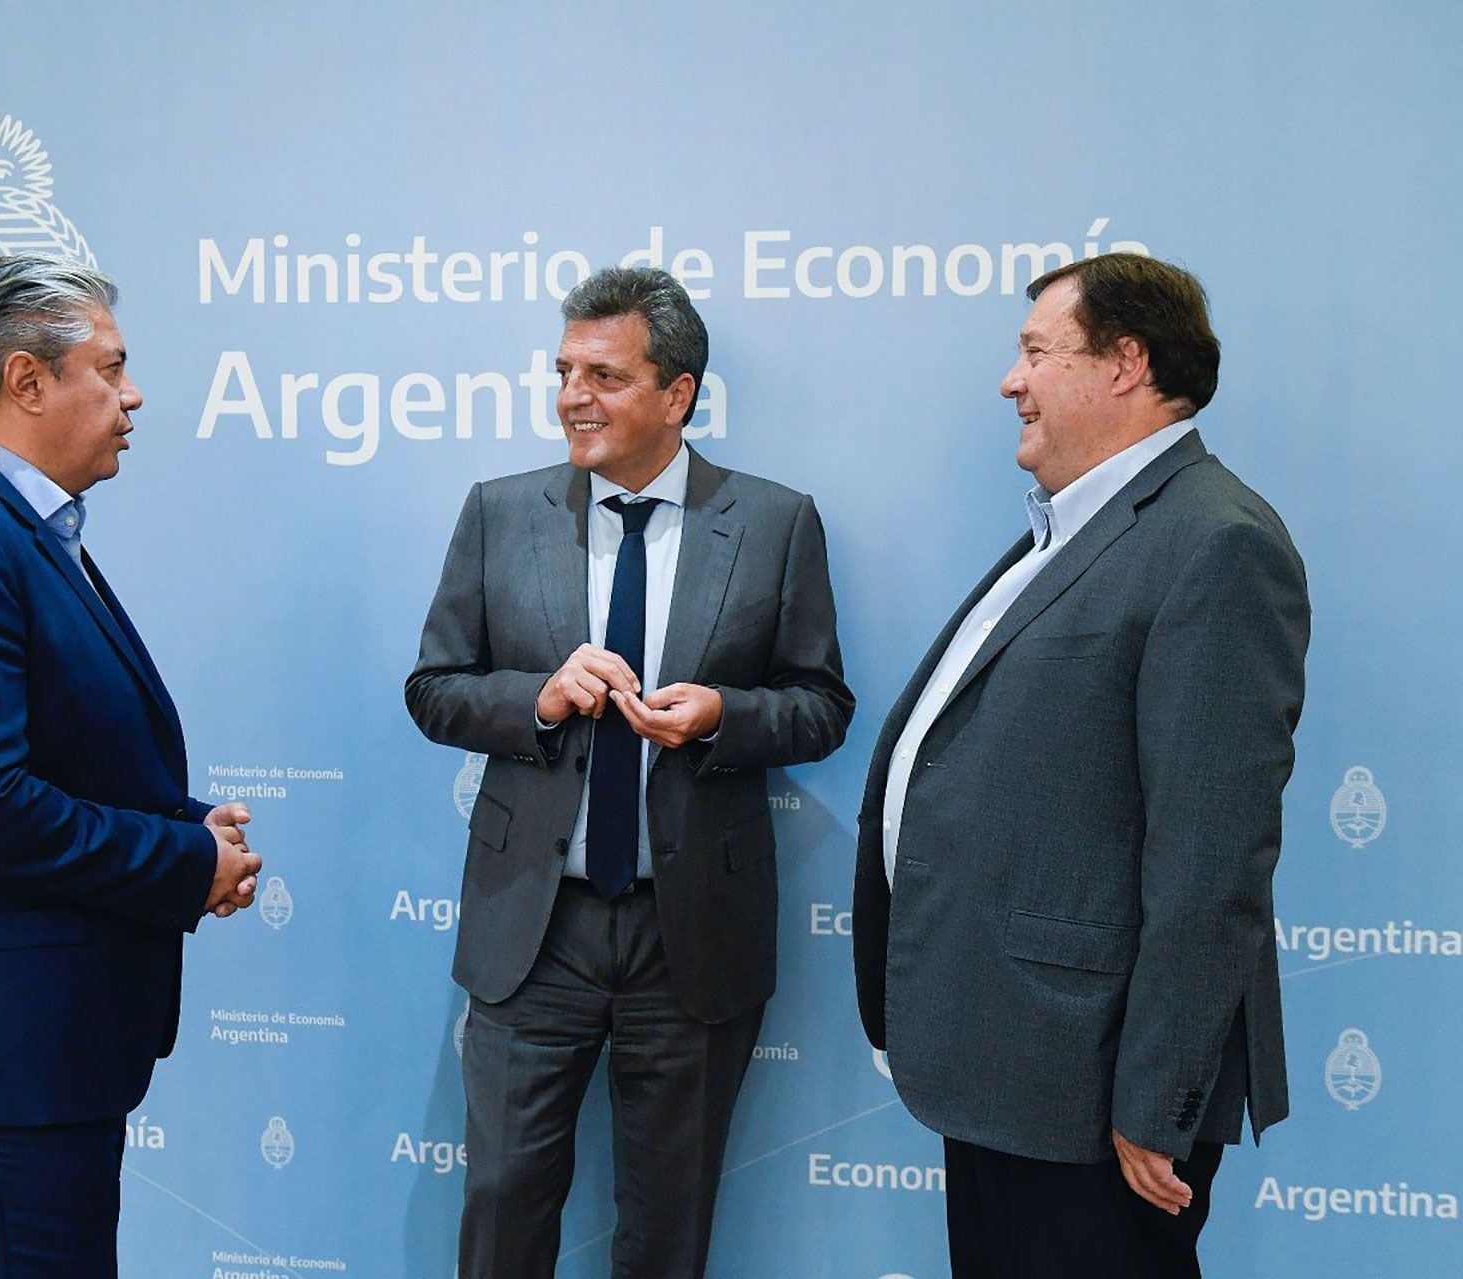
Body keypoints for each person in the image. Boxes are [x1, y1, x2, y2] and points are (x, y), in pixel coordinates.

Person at [852, 253, 1309, 1278]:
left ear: (1126, 363)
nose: (1009, 381)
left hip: (1092, 1094)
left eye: (1035, 351)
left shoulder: (1216, 542)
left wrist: (1158, 1100)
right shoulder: (1073, 529)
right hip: (1006, 1063)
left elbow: (1213, 858)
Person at [407, 266, 854, 1278]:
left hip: (689, 934)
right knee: (502, 1207)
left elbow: (821, 704)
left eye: (604, 376)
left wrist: (722, 715)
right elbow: (434, 689)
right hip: (535, 930)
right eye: (564, 371)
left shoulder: (776, 522)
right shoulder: (500, 511)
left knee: (667, 1226)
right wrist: (540, 697)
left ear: (677, 393)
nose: (574, 396)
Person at [0, 254, 260, 1276]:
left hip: (33, 1054)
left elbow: (59, 756)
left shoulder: (7, 526)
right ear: (26, 381)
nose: (134, 394)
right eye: (110, 368)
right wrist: (179, 864)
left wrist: (186, 830)